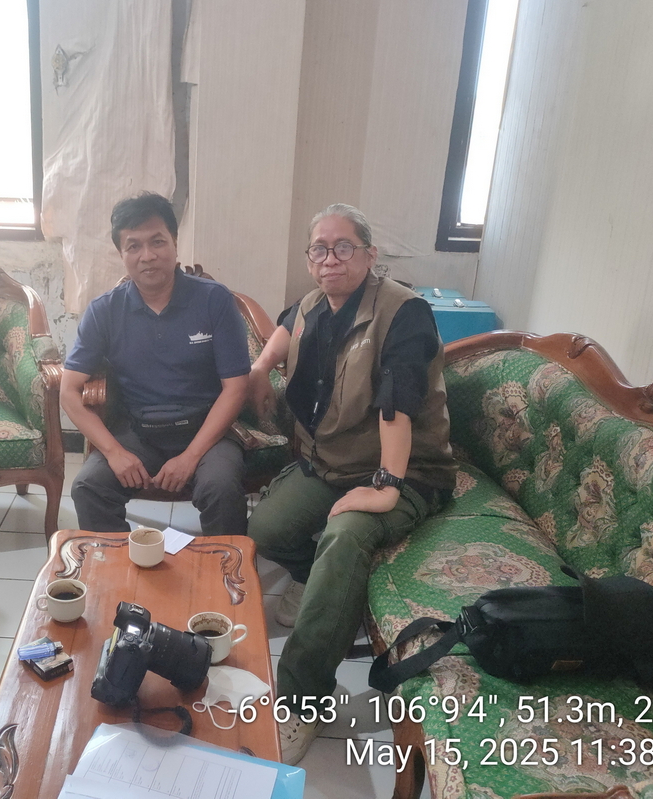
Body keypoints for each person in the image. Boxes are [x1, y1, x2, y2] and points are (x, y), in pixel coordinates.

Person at [246, 203, 456, 764]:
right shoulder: (313, 304)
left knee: (344, 538)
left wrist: (387, 486)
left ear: (369, 254)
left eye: (344, 247)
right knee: (265, 529)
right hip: (334, 465)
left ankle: (302, 700)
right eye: (320, 248)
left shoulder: (404, 312)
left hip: (407, 470)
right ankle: (317, 587)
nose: (330, 259)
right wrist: (261, 369)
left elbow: (396, 403)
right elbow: (285, 328)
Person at [61, 192, 252, 535]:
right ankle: (120, 566)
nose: (147, 256)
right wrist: (114, 452)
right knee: (89, 487)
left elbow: (236, 388)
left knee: (220, 488)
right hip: (139, 432)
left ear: (175, 243)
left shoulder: (214, 300)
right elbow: (69, 392)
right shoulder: (104, 311)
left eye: (157, 241)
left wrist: (190, 457)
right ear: (121, 254)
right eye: (133, 246)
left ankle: (225, 569)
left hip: (207, 431)